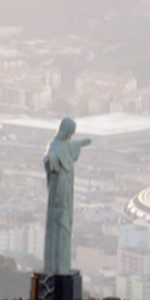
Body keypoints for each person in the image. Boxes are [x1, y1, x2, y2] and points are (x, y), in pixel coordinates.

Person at [43, 117, 92, 274]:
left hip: (67, 188)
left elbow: (71, 147)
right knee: (59, 224)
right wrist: (50, 159)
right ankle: (56, 266)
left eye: (73, 133)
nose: (71, 135)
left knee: (65, 225)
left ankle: (63, 265)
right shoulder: (54, 146)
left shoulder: (66, 145)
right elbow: (50, 156)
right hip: (59, 190)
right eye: (70, 132)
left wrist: (82, 142)